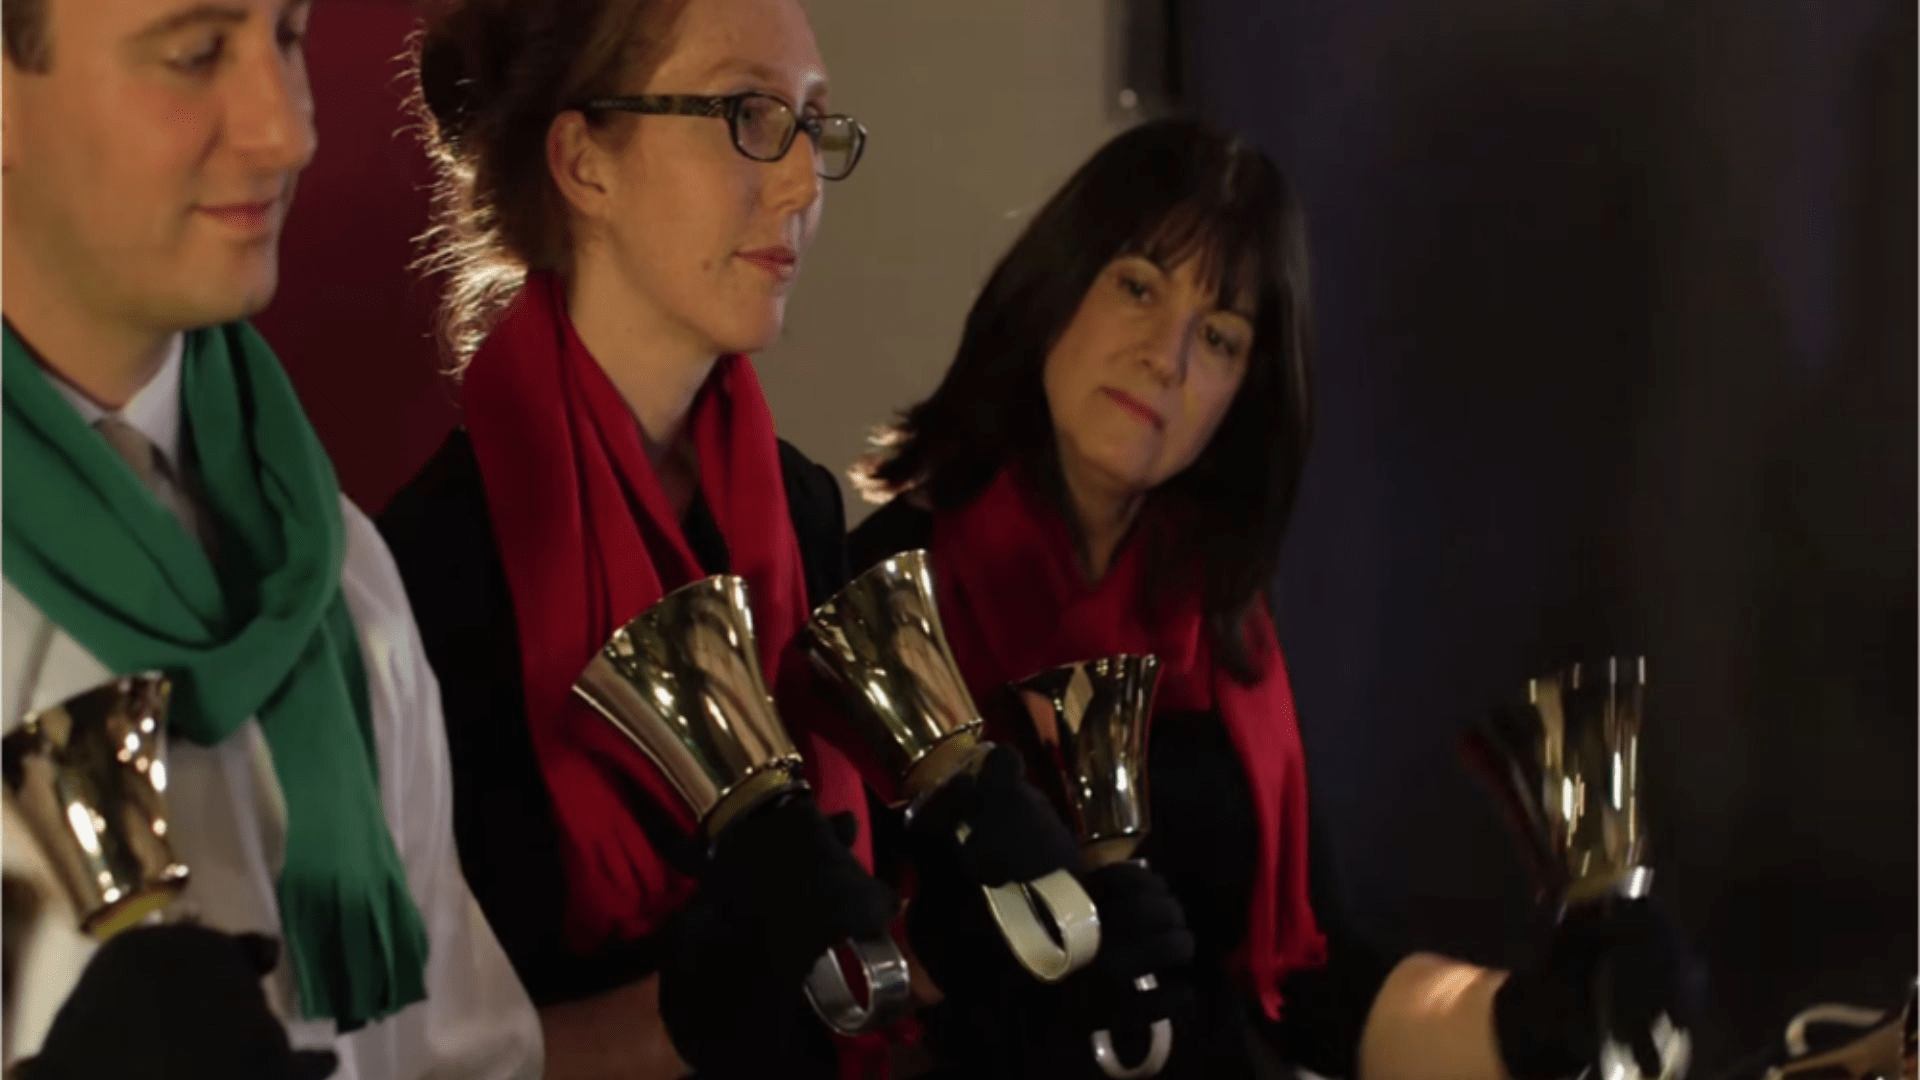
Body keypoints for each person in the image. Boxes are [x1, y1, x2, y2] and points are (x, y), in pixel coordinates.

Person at [849, 116, 1702, 1080]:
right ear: (1054, 288)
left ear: (1240, 395)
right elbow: (823, 989)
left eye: (1218, 337)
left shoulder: (1215, 623)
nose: (1165, 357)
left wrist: (1528, 1020)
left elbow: (1314, 985)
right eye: (1138, 287)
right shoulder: (888, 593)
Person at [378, 1, 1088, 1076]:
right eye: (749, 114)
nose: (803, 183)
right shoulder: (426, 570)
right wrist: (685, 1015)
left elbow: (837, 960)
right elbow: (404, 1058)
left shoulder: (799, 511)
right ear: (584, 162)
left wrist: (969, 943)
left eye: (814, 123)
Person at [0, 0, 543, 1077]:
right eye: (197, 51)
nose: (288, 130)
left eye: (287, 37)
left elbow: (455, 1060)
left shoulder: (336, 571)